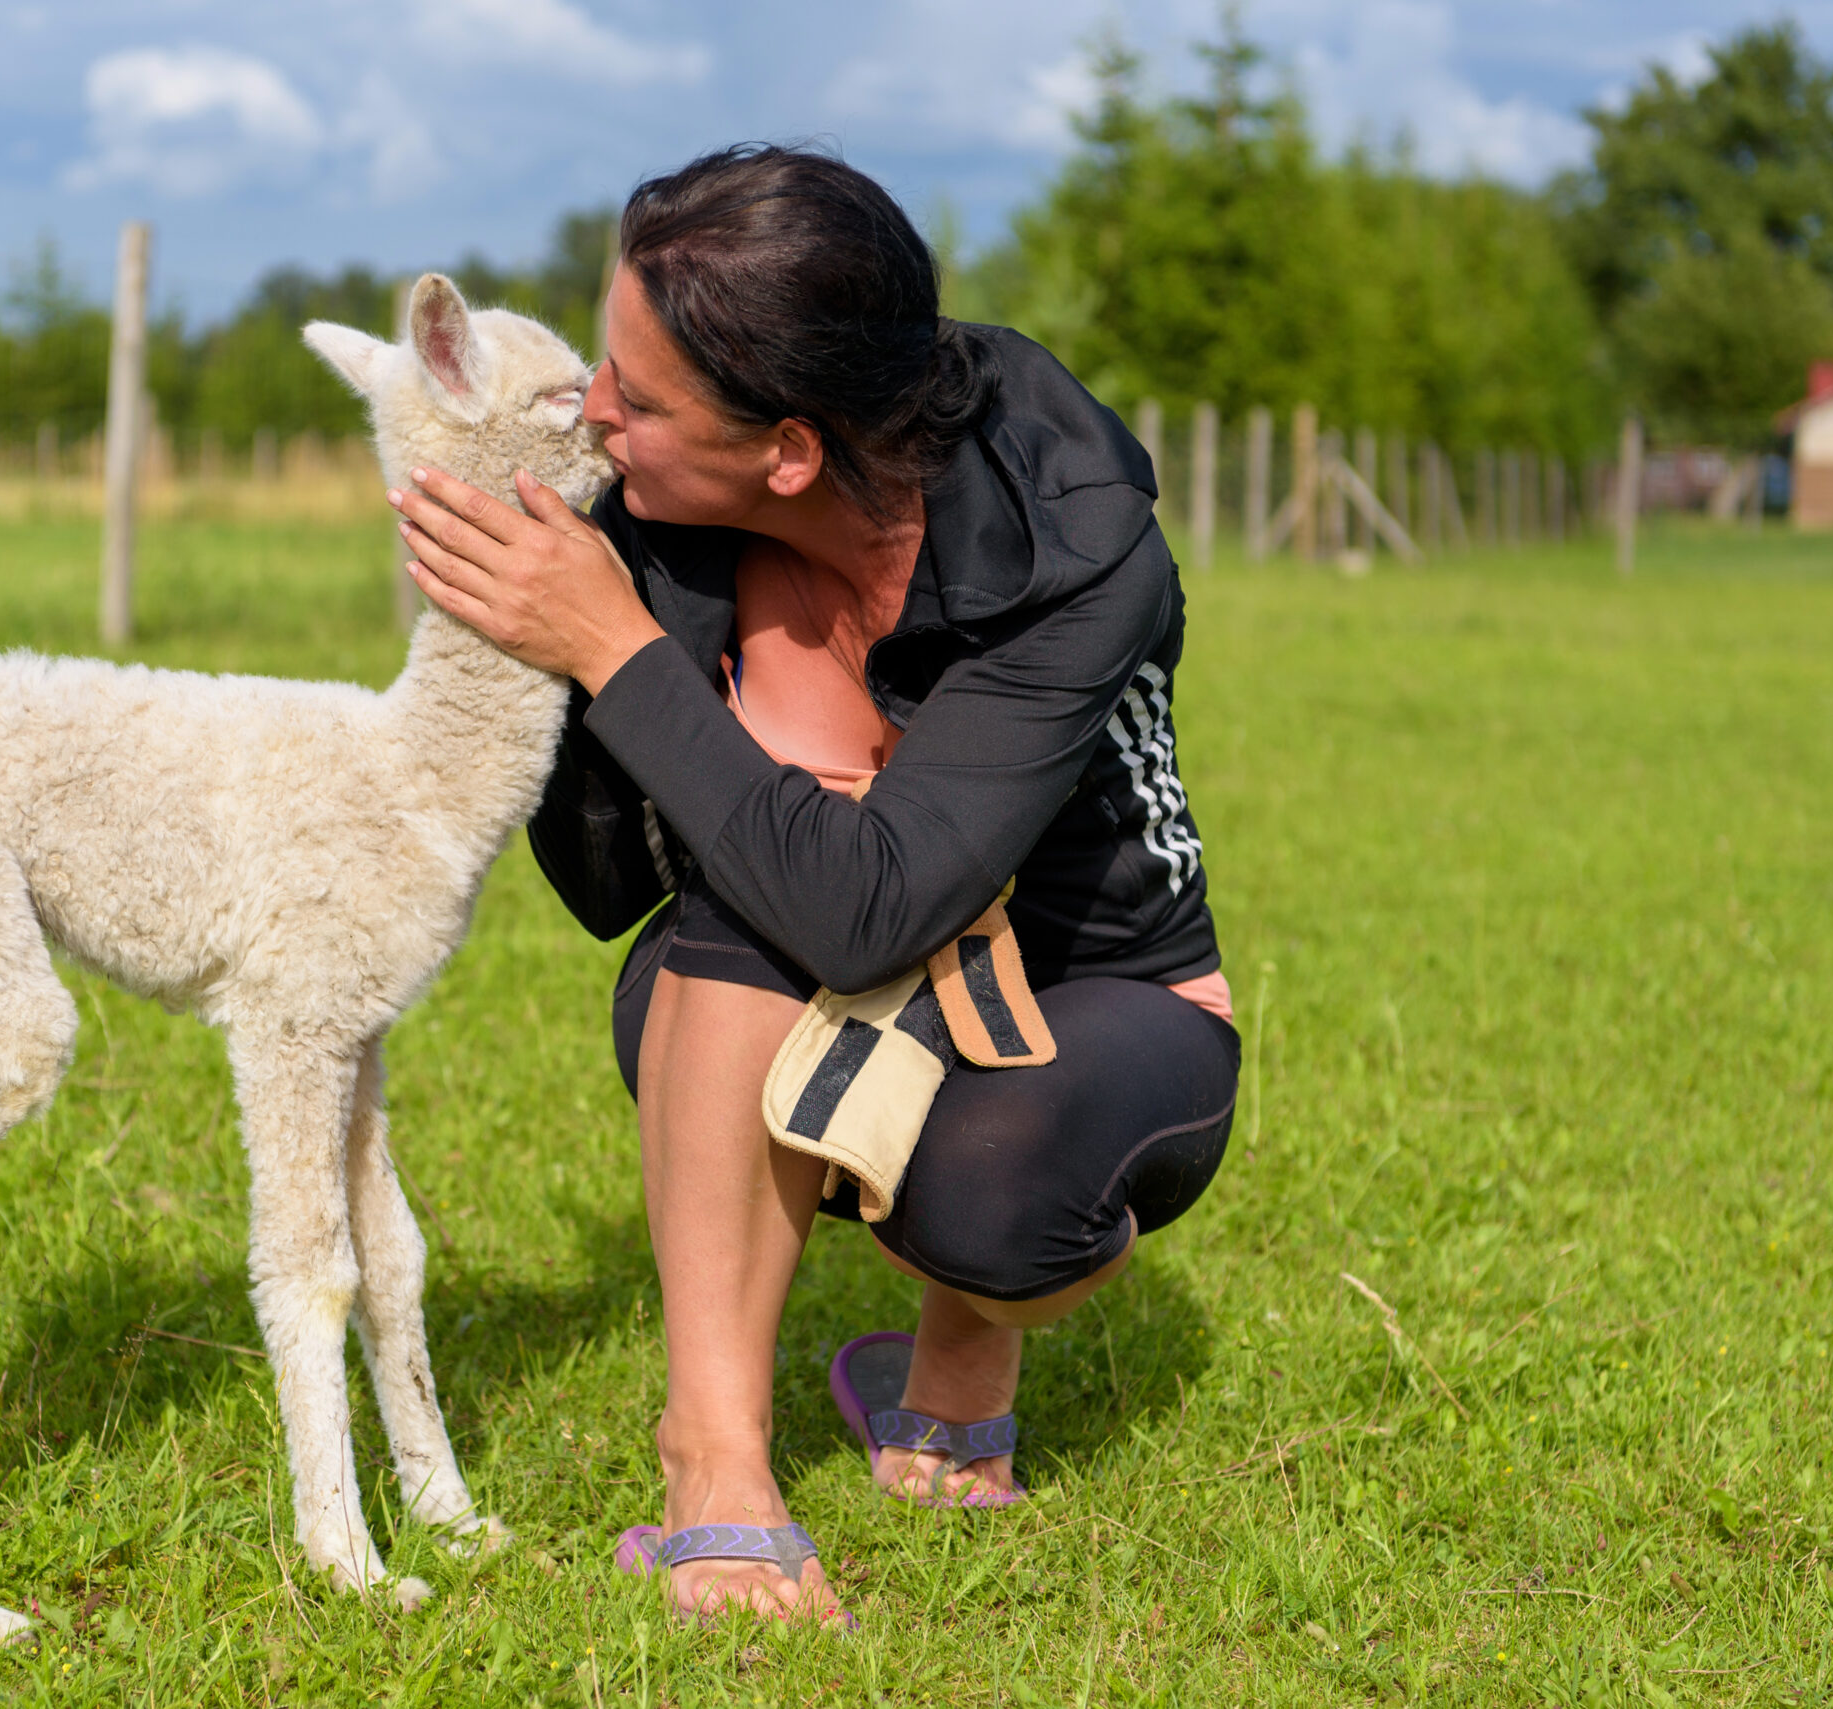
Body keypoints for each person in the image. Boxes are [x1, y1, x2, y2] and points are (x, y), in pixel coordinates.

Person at [387, 144, 1237, 1626]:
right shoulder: (654, 513)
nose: (597, 409)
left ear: (788, 450)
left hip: (1096, 980)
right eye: (606, 363)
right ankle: (714, 1470)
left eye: (639, 400)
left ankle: (966, 1347)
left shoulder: (1074, 540)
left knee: (995, 1197)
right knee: (745, 891)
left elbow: (874, 906)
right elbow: (607, 879)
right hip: (793, 966)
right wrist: (544, 624)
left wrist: (616, 653)